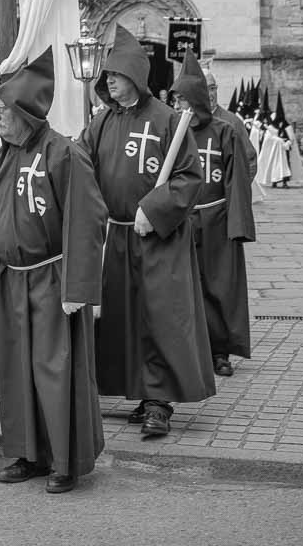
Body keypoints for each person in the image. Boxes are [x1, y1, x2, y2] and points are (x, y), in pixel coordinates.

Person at [0, 48, 106, 493]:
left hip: (52, 279)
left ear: (27, 110)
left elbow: (88, 219)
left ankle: (64, 460)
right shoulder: (0, 159)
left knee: (54, 369)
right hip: (12, 280)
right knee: (18, 369)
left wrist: (77, 285)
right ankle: (27, 453)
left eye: (3, 111)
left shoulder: (65, 153)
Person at [76, 28, 214, 440]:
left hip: (157, 239)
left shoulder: (168, 120)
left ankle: (158, 403)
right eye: (107, 77)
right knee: (124, 318)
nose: (110, 82)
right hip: (115, 237)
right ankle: (139, 390)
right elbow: (80, 165)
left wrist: (153, 209)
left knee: (158, 317)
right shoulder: (101, 122)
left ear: (135, 75)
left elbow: (190, 177)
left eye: (116, 75)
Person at [171, 51, 255, 378]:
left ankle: (220, 351)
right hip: (184, 220)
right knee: (188, 287)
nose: (181, 107)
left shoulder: (226, 130)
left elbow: (239, 178)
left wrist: (237, 223)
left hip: (217, 219)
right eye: (178, 101)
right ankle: (194, 349)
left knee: (220, 287)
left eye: (185, 100)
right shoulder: (174, 130)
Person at [207, 71, 257, 180]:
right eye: (204, 89)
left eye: (212, 88)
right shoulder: (189, 122)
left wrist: (237, 191)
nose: (210, 94)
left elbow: (250, 160)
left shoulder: (232, 122)